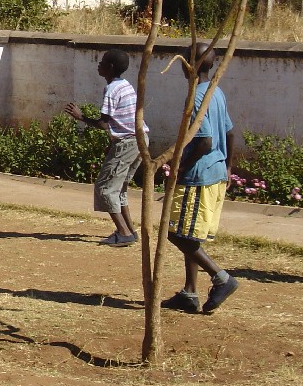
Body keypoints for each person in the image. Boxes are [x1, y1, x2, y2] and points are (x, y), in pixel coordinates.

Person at [162, 42, 238, 314]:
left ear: (187, 65)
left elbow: (204, 141)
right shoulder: (215, 93)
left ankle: (221, 277)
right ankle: (189, 292)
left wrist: (180, 169)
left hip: (199, 175)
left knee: (176, 234)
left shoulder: (196, 97)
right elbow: (229, 133)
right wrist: (228, 167)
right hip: (216, 173)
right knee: (191, 235)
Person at [65, 48, 148, 246]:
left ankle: (124, 232)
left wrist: (81, 117)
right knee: (119, 188)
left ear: (110, 68)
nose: (98, 65)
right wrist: (113, 143)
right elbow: (122, 120)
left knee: (105, 187)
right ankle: (129, 230)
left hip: (128, 142)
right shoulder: (125, 85)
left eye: (102, 62)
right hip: (139, 139)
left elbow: (104, 123)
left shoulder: (111, 90)